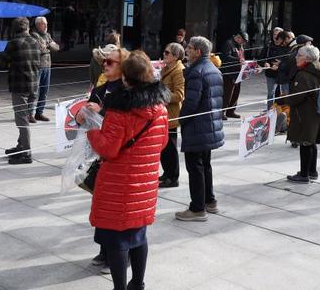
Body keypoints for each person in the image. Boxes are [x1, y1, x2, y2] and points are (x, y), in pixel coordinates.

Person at [87, 51, 169, 290]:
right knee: (138, 236)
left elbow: (108, 149)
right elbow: (162, 143)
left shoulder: (119, 111)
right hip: (144, 186)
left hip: (118, 186)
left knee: (117, 243)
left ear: (125, 78)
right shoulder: (160, 109)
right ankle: (138, 284)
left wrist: (92, 130)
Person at [83, 46, 130, 274]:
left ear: (123, 67)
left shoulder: (128, 91)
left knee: (117, 210)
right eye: (105, 61)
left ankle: (120, 255)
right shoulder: (101, 88)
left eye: (111, 62)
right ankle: (105, 251)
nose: (105, 64)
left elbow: (122, 125)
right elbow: (89, 124)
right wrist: (83, 113)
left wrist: (100, 111)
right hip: (101, 155)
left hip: (119, 158)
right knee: (101, 206)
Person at [176, 36, 224, 221]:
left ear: (198, 51)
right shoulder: (213, 68)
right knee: (205, 165)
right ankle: (209, 201)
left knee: (195, 167)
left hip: (198, 125)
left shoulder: (197, 72)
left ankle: (197, 208)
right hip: (209, 124)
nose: (186, 50)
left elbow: (191, 103)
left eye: (189, 47)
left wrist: (181, 119)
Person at [284, 45, 320, 183]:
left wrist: (282, 99)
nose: (296, 57)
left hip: (305, 113)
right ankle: (312, 171)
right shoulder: (317, 69)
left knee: (305, 143)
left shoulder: (304, 75)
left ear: (307, 58)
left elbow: (296, 97)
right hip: (313, 112)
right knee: (311, 141)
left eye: (299, 55)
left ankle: (304, 174)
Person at [0, 17, 41, 164]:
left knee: (22, 121)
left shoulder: (13, 43)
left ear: (14, 29)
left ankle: (26, 154)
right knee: (25, 117)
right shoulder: (36, 42)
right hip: (34, 85)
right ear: (27, 27)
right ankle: (21, 146)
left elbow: (2, 62)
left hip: (19, 86)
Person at [159, 42, 185, 188]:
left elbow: (180, 95)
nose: (164, 54)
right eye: (165, 52)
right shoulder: (167, 69)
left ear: (175, 56)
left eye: (167, 53)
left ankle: (173, 177)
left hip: (172, 115)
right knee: (164, 146)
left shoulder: (178, 71)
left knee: (170, 147)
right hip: (163, 114)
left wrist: (161, 96)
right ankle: (166, 173)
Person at [32, 16, 60, 122]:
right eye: (44, 24)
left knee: (44, 91)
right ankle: (30, 113)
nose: (46, 26)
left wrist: (47, 46)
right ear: (38, 24)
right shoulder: (34, 35)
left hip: (47, 66)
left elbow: (57, 47)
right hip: (38, 66)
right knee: (34, 91)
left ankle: (39, 113)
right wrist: (49, 46)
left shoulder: (47, 35)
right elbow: (40, 49)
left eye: (46, 23)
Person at [220, 31, 248, 119]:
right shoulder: (229, 44)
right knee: (227, 93)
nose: (243, 43)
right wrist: (237, 60)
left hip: (238, 72)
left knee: (236, 92)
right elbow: (225, 57)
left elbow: (242, 56)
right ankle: (222, 112)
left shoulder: (240, 46)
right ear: (238, 37)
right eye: (242, 41)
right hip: (229, 73)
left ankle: (231, 111)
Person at [262, 30, 291, 105]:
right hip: (271, 73)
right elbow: (261, 58)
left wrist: (279, 65)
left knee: (284, 93)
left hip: (282, 74)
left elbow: (288, 61)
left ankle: (282, 111)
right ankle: (270, 111)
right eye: (274, 34)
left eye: (278, 35)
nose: (276, 37)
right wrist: (265, 63)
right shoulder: (268, 45)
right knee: (271, 93)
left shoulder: (287, 46)